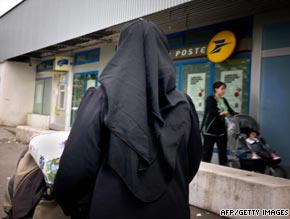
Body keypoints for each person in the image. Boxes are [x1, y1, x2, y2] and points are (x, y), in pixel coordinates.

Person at [54, 19, 202, 219]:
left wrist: (72, 207)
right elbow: (191, 163)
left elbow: (75, 169)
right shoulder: (184, 104)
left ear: (121, 52)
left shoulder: (102, 99)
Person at [201, 81, 237, 165]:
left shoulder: (224, 100)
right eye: (222, 89)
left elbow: (229, 110)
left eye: (224, 89)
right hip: (210, 129)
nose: (224, 91)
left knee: (223, 152)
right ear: (216, 89)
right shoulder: (210, 99)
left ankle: (223, 168)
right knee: (207, 152)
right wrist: (221, 113)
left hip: (221, 129)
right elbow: (211, 110)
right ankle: (205, 168)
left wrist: (236, 114)